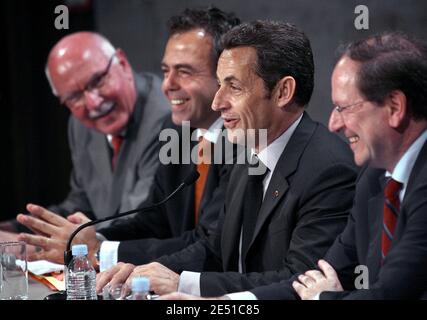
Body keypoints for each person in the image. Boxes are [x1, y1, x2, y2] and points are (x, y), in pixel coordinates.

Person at [97, 20, 358, 297]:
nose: (217, 102)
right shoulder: (246, 156)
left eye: (233, 87)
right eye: (219, 85)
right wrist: (146, 271)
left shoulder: (328, 169)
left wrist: (184, 285)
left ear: (283, 92)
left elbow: (300, 283)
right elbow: (215, 248)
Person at [174, 31, 427, 300]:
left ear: (395, 107)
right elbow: (313, 277)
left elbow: (390, 294)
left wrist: (321, 298)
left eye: (344, 108)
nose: (334, 124)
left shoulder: (337, 169)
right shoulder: (373, 178)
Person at [16, 8, 241, 273]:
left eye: (184, 71)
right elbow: (155, 219)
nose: (167, 84)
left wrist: (99, 250)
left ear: (224, 76)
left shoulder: (246, 141)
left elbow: (209, 246)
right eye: (165, 70)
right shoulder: (180, 131)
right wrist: (93, 238)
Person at [0, 32, 170, 243]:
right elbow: (82, 206)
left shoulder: (167, 119)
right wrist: (19, 230)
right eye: (74, 97)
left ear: (123, 64)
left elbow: (139, 221)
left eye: (97, 81)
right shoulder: (80, 125)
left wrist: (46, 246)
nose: (93, 103)